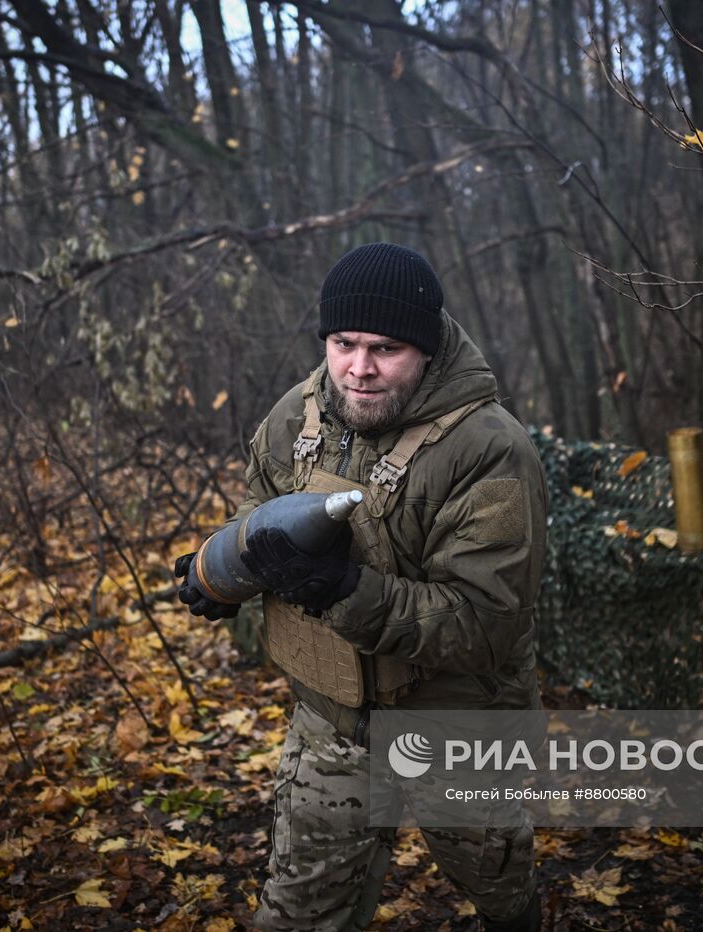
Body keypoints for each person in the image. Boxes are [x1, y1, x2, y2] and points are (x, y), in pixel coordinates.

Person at [175, 243, 548, 931]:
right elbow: (256, 516)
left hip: (456, 724)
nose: (359, 368)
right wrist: (223, 574)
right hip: (332, 720)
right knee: (295, 914)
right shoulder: (296, 419)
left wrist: (344, 589)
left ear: (428, 350)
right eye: (343, 343)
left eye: (386, 348)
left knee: (499, 888)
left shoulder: (491, 451)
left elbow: (483, 624)